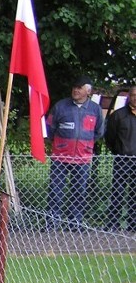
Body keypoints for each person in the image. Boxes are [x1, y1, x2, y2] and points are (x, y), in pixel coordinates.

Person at [46, 75, 104, 229]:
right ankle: (52, 222)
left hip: (83, 158)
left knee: (79, 192)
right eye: (74, 87)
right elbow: (50, 128)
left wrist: (85, 145)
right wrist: (61, 144)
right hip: (60, 156)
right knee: (55, 190)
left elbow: (98, 132)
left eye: (80, 87)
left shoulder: (95, 109)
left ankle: (75, 223)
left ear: (88, 91)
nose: (76, 90)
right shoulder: (60, 106)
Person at [104, 85, 136, 231]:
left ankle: (133, 225)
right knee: (118, 192)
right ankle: (113, 225)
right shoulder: (118, 115)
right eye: (134, 94)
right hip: (122, 158)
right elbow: (110, 137)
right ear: (129, 96)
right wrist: (118, 151)